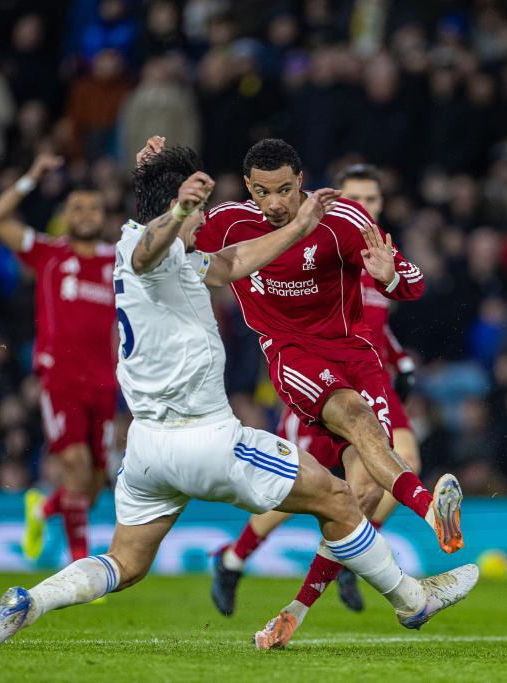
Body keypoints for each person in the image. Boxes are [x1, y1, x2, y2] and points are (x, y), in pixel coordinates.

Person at [0, 145, 478, 652]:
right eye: (196, 212)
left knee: (126, 562)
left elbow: (233, 261)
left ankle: (30, 601)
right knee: (339, 499)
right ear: (176, 210)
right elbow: (151, 254)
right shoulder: (155, 254)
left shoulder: (132, 242)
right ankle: (412, 599)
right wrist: (182, 211)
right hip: (208, 441)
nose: (204, 220)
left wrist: (155, 174)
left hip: (147, 451)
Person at [184, 138, 463, 635]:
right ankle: (429, 511)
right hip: (293, 357)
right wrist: (158, 183)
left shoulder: (347, 223)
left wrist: (390, 278)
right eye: (263, 192)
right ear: (248, 187)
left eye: (284, 190)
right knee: (351, 431)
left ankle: (296, 611)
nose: (274, 202)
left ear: (301, 181)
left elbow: (414, 284)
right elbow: (169, 242)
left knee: (360, 492)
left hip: (356, 356)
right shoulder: (227, 222)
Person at [213, 163, 422, 615]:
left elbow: (374, 325)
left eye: (372, 199)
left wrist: (400, 359)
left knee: (381, 474)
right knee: (306, 490)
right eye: (355, 198)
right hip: (315, 377)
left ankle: (353, 554)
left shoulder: (374, 252)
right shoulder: (327, 241)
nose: (364, 206)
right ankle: (234, 558)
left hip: (366, 373)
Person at [0, 153, 117, 564]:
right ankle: (81, 568)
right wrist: (30, 177)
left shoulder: (118, 260)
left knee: (92, 489)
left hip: (104, 383)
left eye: (93, 208)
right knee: (75, 465)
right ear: (66, 215)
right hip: (61, 380)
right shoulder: (48, 253)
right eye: (78, 207)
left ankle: (41, 510)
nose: (86, 214)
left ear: (104, 215)